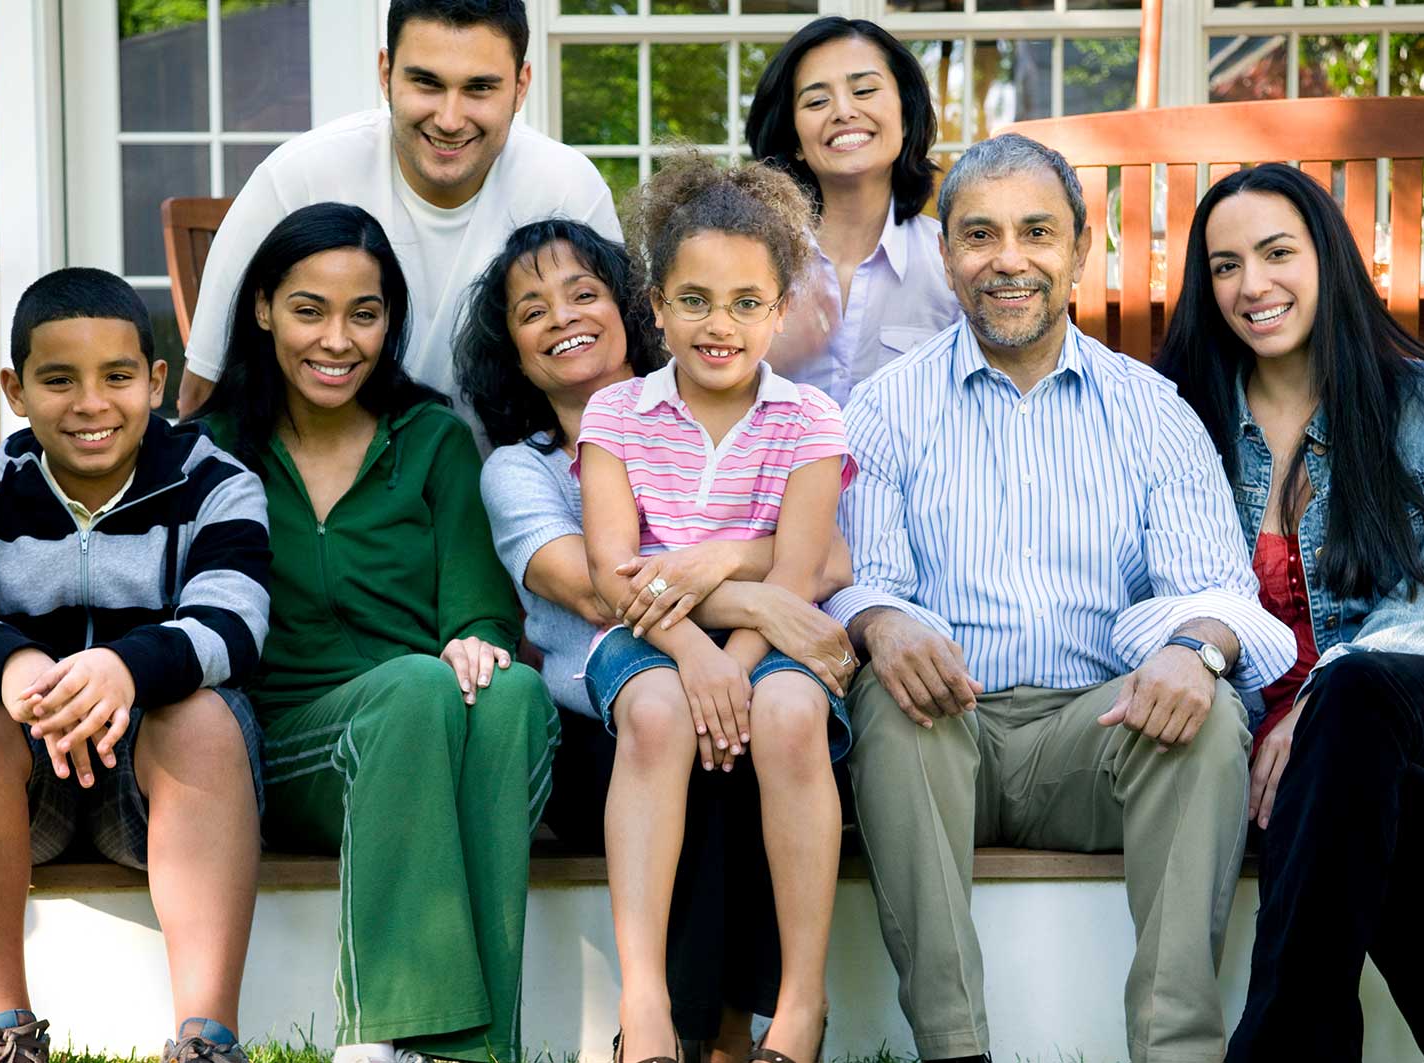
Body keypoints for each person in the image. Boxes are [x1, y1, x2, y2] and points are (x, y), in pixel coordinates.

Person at [0, 204, 557, 1063]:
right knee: (415, 689)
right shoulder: (212, 451)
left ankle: (477, 1051)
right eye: (309, 310)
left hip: (416, 718)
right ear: (262, 309)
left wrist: (478, 636)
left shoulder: (434, 438)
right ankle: (387, 1033)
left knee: (511, 688)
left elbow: (478, 610)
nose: (336, 339)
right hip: (296, 737)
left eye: (364, 314)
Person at [827, 134, 1297, 1063]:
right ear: (948, 256)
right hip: (941, 734)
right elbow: (852, 581)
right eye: (979, 235)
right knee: (886, 685)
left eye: (1037, 232)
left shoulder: (1152, 410)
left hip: (1095, 735)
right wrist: (880, 621)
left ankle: (1176, 1049)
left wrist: (1195, 646)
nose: (1009, 259)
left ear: (1080, 250)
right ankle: (955, 1047)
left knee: (1200, 717)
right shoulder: (885, 407)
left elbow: (1224, 597)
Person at [1154, 162, 1424, 1063]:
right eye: (1225, 265)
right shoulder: (1182, 415)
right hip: (1304, 780)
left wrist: (1312, 704)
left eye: (1276, 253)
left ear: (1328, 258)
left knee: (1357, 697)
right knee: (1401, 817)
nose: (1251, 285)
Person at [455, 219, 857, 1063]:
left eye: (582, 294)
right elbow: (604, 582)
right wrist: (754, 605)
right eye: (533, 309)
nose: (563, 316)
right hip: (606, 712)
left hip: (714, 675)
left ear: (625, 308)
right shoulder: (525, 467)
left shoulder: (782, 417)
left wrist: (719, 566)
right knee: (681, 730)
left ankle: (747, 1027)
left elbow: (825, 554)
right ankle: (678, 1026)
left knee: (748, 738)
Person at [0, 268, 271, 1063]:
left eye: (118, 377)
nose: (91, 403)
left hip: (158, 785)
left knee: (205, 711)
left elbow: (235, 620)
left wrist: (127, 668)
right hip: (18, 794)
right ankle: (1, 1030)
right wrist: (13, 664)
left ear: (157, 380)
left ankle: (207, 1036)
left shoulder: (215, 483)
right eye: (58, 379)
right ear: (16, 388)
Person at [576, 152, 853, 1063]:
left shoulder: (809, 420)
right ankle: (647, 1005)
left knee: (789, 707)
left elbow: (799, 577)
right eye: (693, 299)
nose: (718, 324)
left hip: (759, 642)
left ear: (780, 309)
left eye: (745, 302)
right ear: (655, 305)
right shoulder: (616, 415)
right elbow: (619, 574)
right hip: (646, 642)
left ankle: (800, 1009)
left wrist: (732, 659)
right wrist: (698, 660)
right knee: (656, 713)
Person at [174, 0, 620, 420]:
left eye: (479, 88)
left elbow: (619, 385)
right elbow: (205, 392)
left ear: (520, 86)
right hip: (324, 487)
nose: (449, 119)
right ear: (385, 72)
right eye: (427, 83)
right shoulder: (298, 177)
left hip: (516, 476)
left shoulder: (567, 188)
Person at [745, 16, 958, 404]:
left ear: (906, 116)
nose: (843, 111)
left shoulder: (953, 266)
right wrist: (753, 355)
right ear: (794, 139)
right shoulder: (746, 264)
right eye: (817, 101)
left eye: (863, 91)